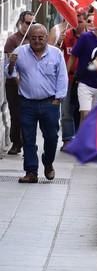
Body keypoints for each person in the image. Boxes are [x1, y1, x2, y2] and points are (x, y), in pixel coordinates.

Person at [5, 24, 68, 183]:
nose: (37, 41)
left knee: (52, 137)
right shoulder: (20, 52)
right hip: (27, 103)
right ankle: (31, 171)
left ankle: (48, 162)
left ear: (47, 37)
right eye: (34, 38)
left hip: (50, 103)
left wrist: (59, 98)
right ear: (29, 38)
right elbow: (9, 74)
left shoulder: (56, 54)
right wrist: (11, 63)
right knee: (28, 138)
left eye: (41, 38)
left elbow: (62, 76)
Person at [3, 10, 34, 155]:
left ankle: (27, 142)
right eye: (28, 23)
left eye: (33, 23)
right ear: (21, 23)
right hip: (14, 84)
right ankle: (16, 142)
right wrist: (18, 81)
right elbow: (10, 67)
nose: (30, 26)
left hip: (30, 83)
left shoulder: (36, 40)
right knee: (16, 114)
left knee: (29, 115)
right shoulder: (12, 40)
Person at [60, 12, 88, 150]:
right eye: (75, 21)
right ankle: (67, 139)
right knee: (66, 110)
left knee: (82, 110)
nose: (78, 24)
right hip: (68, 78)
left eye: (81, 21)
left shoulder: (89, 38)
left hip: (84, 79)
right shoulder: (66, 36)